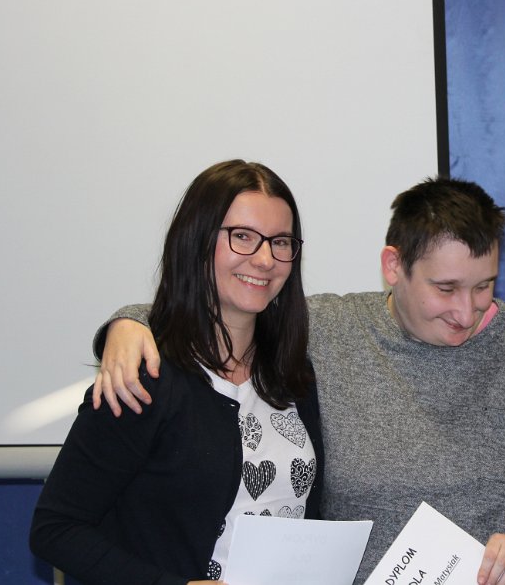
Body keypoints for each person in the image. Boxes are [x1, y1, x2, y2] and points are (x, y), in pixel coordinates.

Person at [92, 176, 505, 585]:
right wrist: (128, 323)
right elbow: (222, 308)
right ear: (393, 266)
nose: (466, 312)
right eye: (445, 288)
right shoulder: (326, 330)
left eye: (484, 286)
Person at [30, 160, 323, 585]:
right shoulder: (143, 378)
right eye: (242, 237)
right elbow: (55, 529)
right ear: (197, 241)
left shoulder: (293, 375)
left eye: (280, 242)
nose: (264, 259)